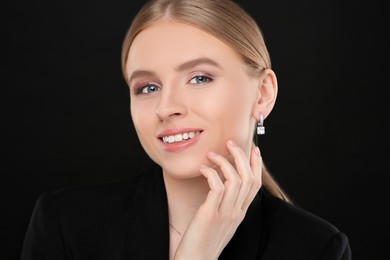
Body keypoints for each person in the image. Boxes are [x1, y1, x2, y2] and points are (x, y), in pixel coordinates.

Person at [21, 0, 352, 259]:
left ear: (263, 93)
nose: (166, 107)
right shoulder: (66, 225)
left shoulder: (315, 248)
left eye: (200, 78)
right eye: (148, 87)